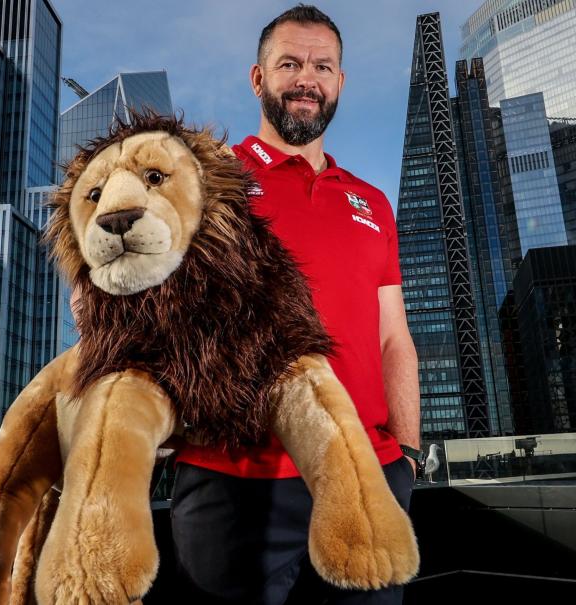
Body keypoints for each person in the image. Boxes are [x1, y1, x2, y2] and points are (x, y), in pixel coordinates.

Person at [169, 5, 423, 604]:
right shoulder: (207, 178)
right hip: (235, 480)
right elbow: (127, 290)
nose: (306, 78)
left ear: (339, 83)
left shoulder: (373, 202)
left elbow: (394, 338)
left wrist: (407, 456)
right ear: (258, 79)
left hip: (367, 477)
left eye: (322, 66)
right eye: (289, 63)